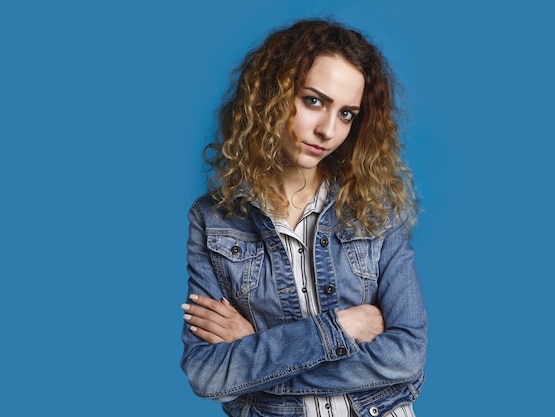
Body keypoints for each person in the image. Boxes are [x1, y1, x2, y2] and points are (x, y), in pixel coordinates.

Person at [180, 19, 427, 417]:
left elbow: (406, 356)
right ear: (270, 96)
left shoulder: (377, 210)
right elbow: (207, 374)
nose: (328, 130)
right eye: (314, 100)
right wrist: (341, 327)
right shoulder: (213, 221)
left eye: (347, 114)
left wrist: (260, 347)